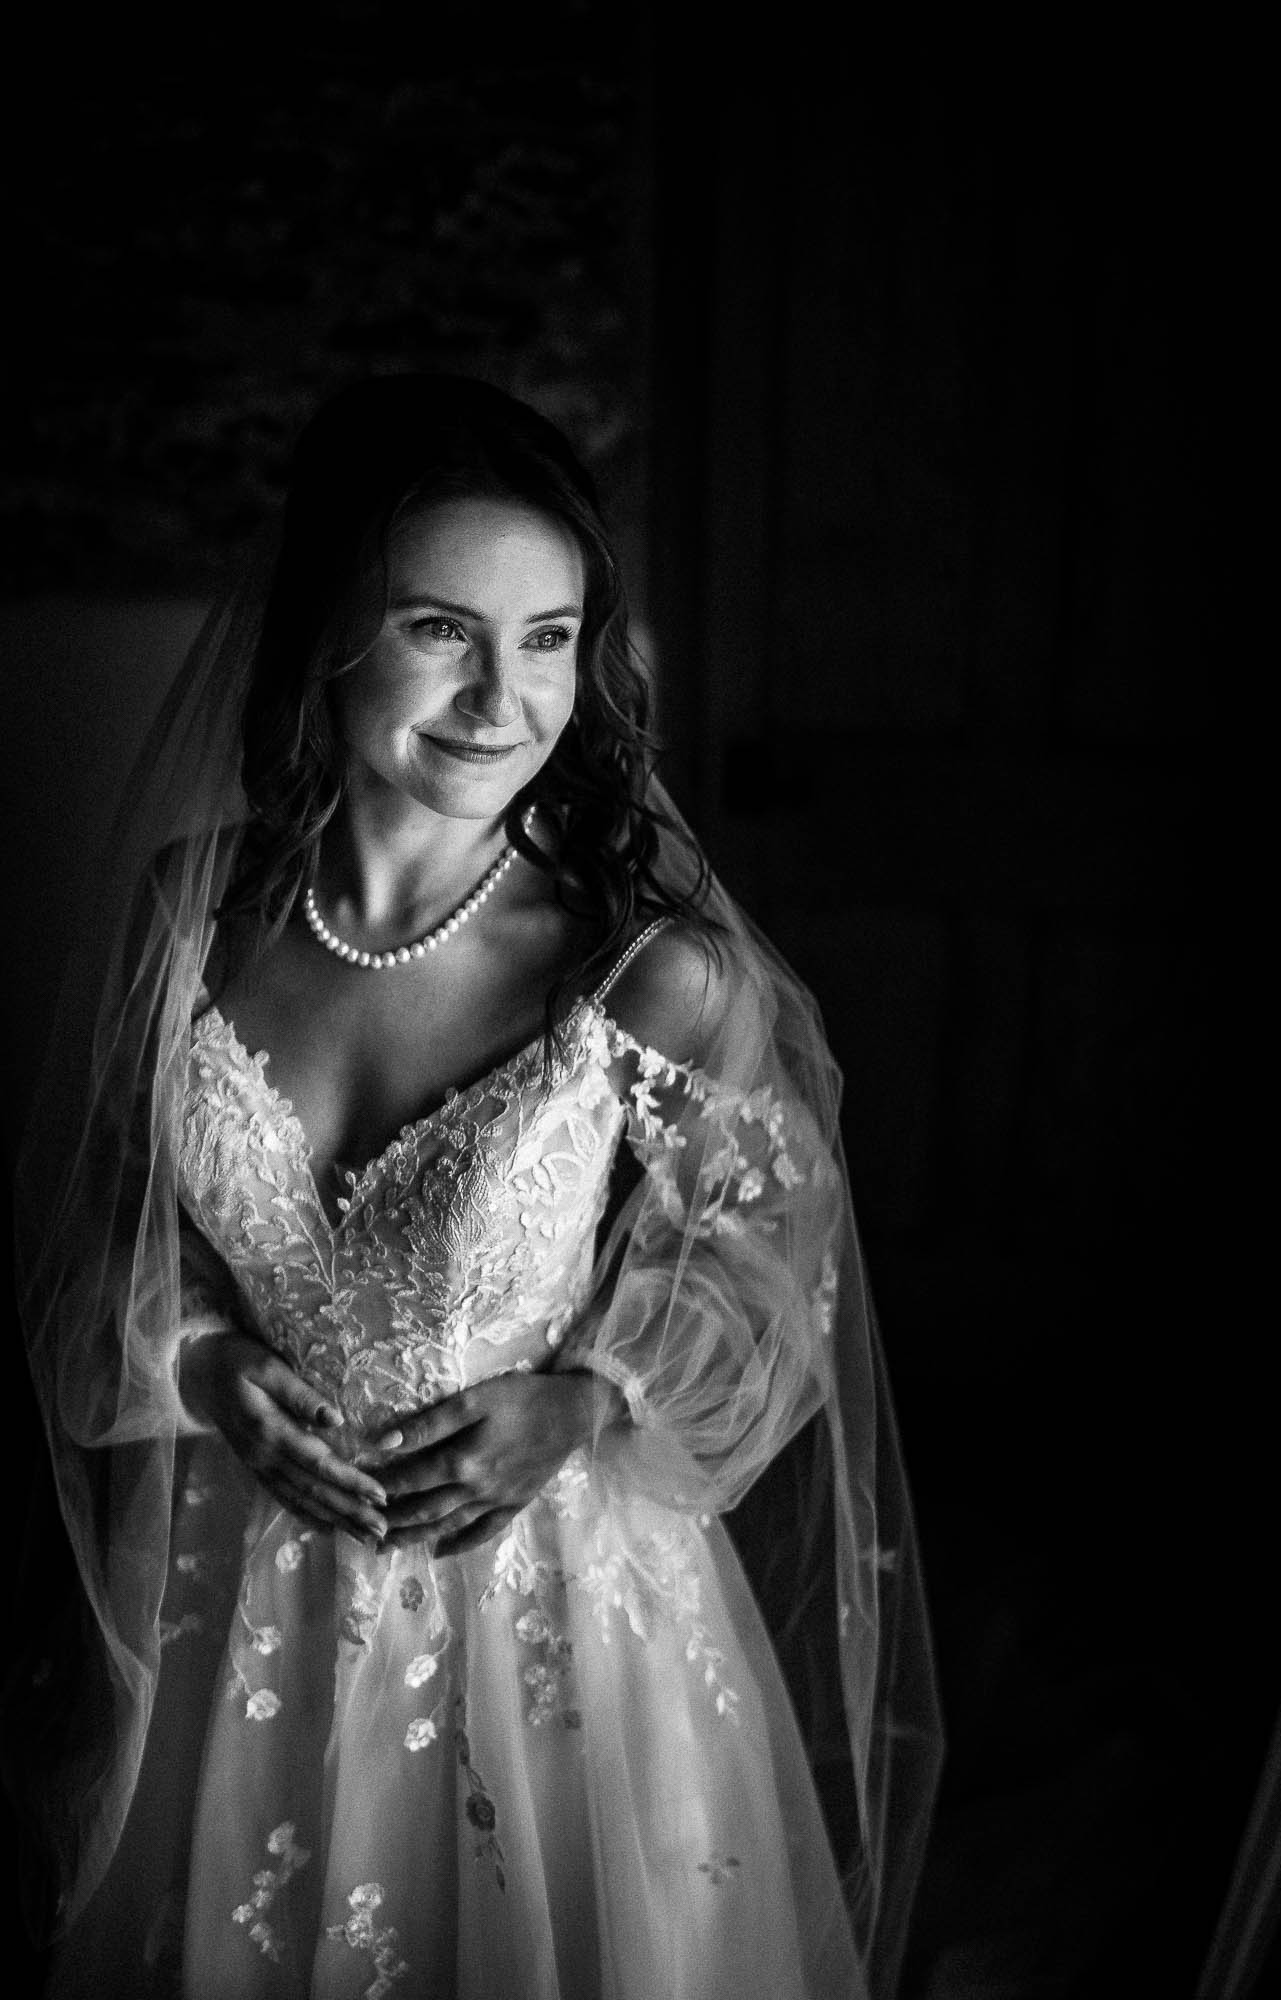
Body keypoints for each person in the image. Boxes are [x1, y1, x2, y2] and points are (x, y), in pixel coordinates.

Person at [9, 376, 942, 1998]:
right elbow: (86, 1246)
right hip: (237, 1609)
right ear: (326, 637)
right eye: (443, 627)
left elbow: (776, 1283)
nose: (502, 697)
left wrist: (584, 1403)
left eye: (550, 638)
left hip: (550, 1623)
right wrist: (205, 1363)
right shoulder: (191, 923)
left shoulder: (651, 974)